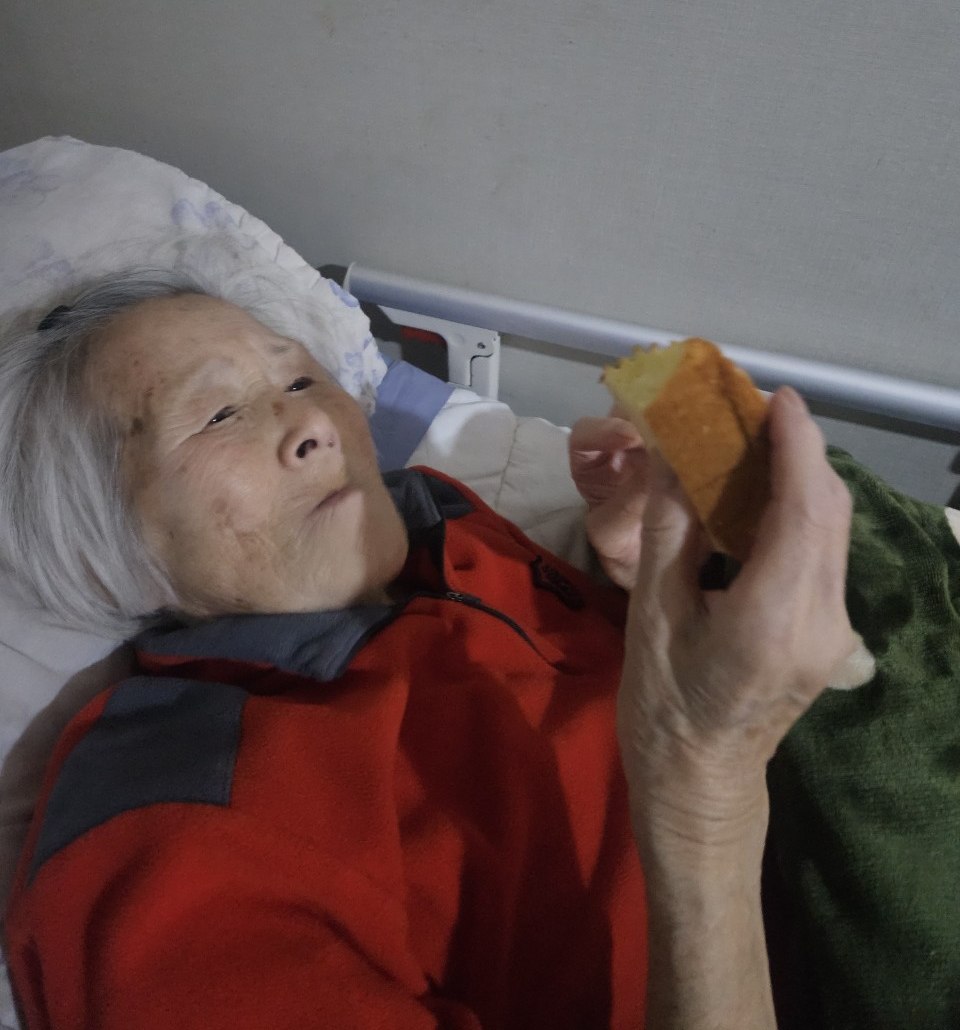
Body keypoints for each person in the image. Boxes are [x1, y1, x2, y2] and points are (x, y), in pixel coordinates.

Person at [0, 269, 863, 1029]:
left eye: (299, 376)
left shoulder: (432, 522)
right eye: (220, 413)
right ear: (100, 549)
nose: (315, 423)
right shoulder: (161, 849)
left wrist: (638, 577)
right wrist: (706, 791)